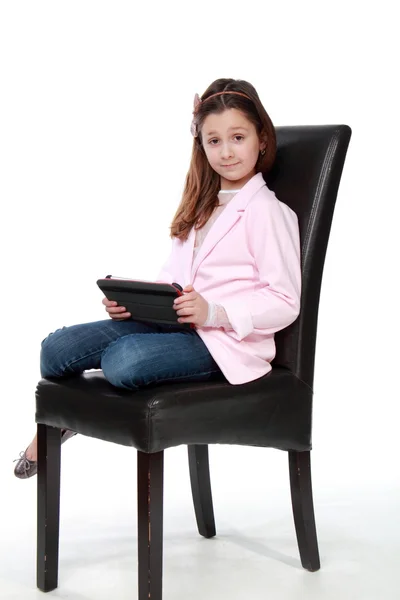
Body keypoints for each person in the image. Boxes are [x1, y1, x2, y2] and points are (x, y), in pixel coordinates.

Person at [14, 77, 301, 479]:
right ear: (200, 144)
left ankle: (69, 419)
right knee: (55, 351)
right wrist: (133, 304)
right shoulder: (201, 205)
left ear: (262, 140)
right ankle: (61, 422)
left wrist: (213, 311)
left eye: (238, 137)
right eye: (213, 141)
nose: (226, 151)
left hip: (222, 341)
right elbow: (175, 277)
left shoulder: (268, 212)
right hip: (175, 323)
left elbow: (284, 301)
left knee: (124, 361)